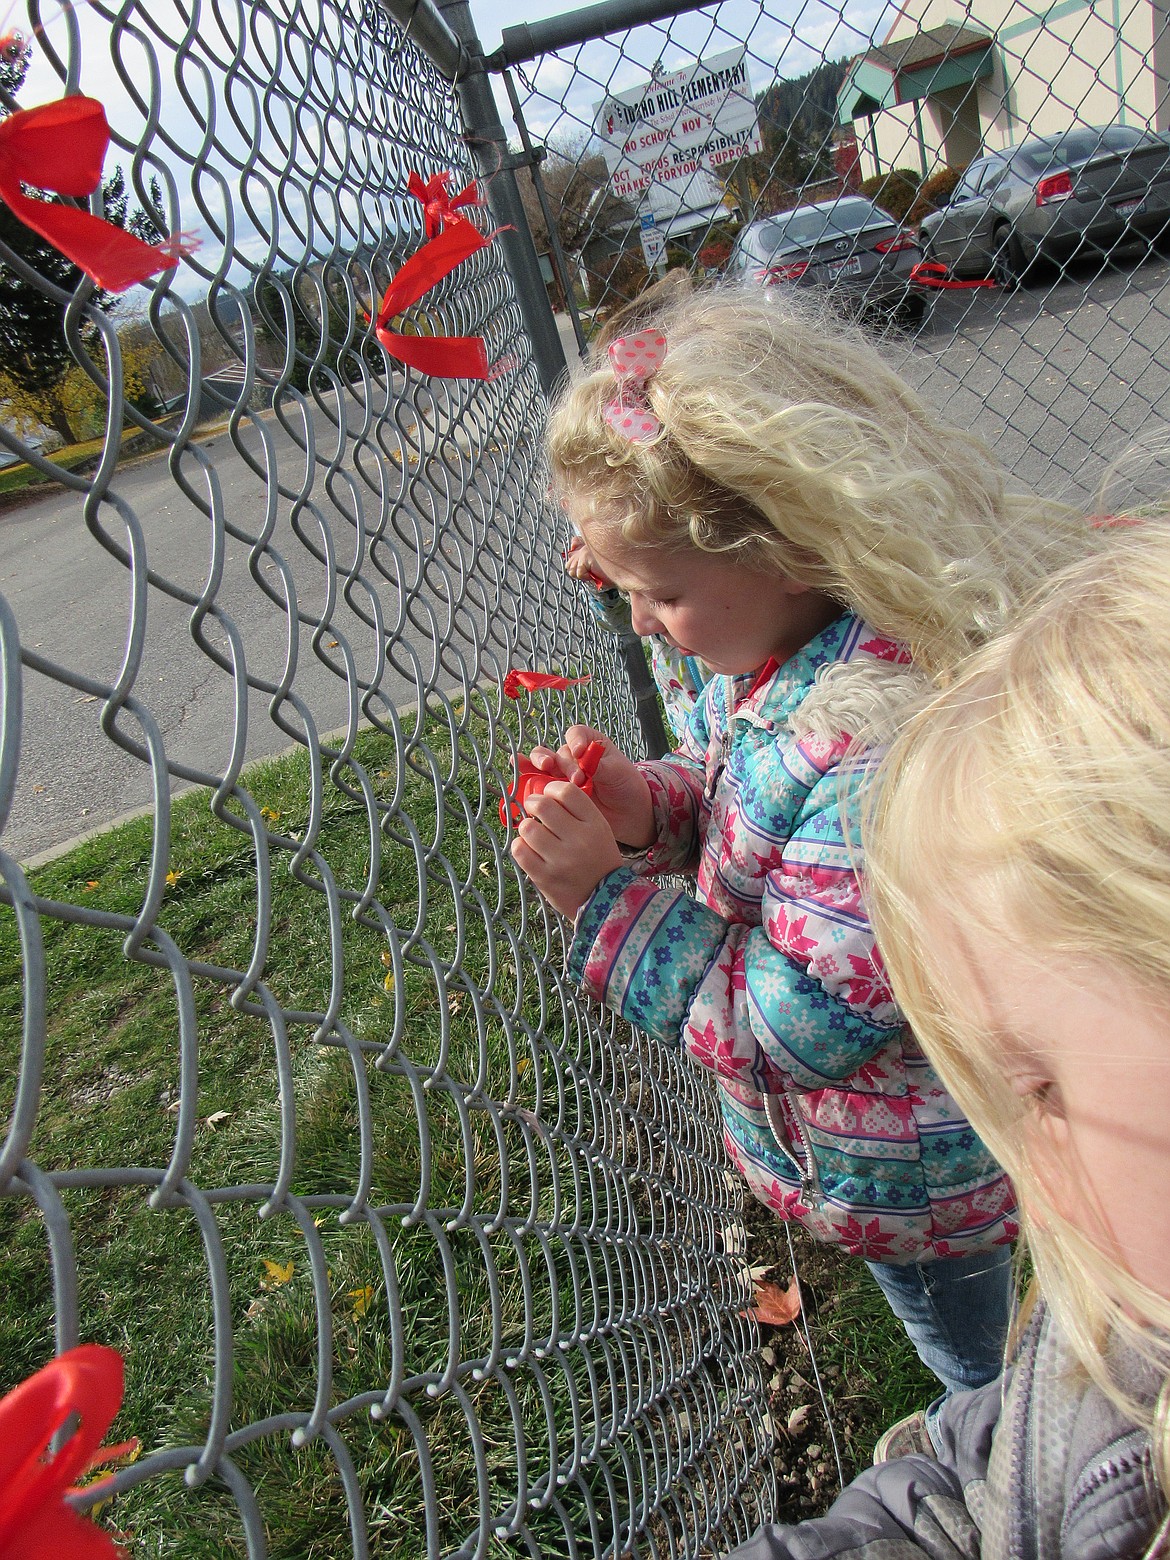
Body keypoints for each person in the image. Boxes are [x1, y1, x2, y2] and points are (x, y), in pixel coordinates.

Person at [510, 284, 1100, 1413]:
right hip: (900, 1151)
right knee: (1033, 1314)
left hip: (919, 1177)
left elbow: (796, 1029)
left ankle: (1011, 1431)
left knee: (981, 1361)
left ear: (784, 546)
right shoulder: (784, 655)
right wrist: (647, 804)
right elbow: (747, 799)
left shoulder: (879, 745)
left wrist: (606, 904)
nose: (637, 624)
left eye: (659, 594)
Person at [725, 521, 1170, 1557]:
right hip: (867, 1184)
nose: (1017, 1143)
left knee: (963, 1342)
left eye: (1035, 1088)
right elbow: (1030, 1432)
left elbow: (803, 1027)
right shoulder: (1122, 1314)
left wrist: (617, 916)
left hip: (900, 1188)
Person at [563, 530, 708, 743]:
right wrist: (605, 580)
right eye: (629, 591)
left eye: (663, 597)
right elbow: (620, 621)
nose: (639, 626)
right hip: (686, 714)